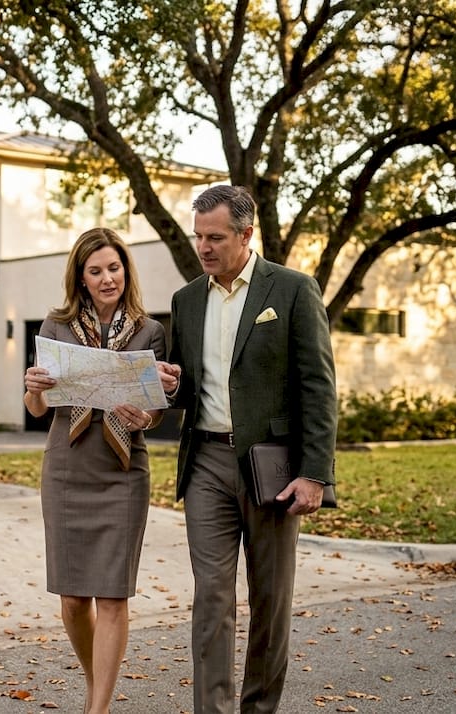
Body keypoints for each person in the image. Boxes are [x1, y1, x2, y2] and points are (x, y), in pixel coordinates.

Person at [155, 184, 337, 714]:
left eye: (215, 237)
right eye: (198, 237)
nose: (204, 247)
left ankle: (259, 709)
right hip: (206, 461)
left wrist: (315, 473)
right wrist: (171, 385)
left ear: (245, 234)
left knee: (270, 600)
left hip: (271, 465)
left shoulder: (293, 290)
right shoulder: (186, 300)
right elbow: (188, 389)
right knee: (211, 597)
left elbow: (318, 387)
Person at [23, 227, 168, 714]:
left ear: (126, 270)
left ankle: (97, 709)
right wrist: (34, 387)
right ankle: (95, 684)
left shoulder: (150, 331)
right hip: (67, 469)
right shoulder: (56, 326)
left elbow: (158, 408)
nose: (108, 278)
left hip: (123, 472)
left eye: (114, 267)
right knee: (72, 600)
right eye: (96, 271)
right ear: (81, 278)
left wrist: (144, 415)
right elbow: (38, 409)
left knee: (112, 598)